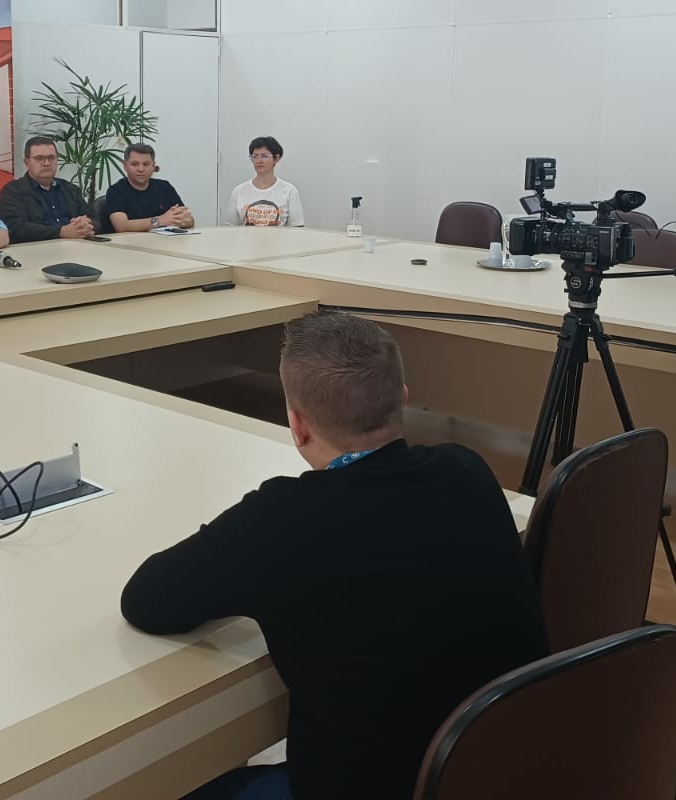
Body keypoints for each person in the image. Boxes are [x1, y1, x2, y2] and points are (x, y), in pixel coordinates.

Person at [121, 313, 547, 800]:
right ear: (402, 400)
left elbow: (146, 600)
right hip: (504, 772)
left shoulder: (278, 520)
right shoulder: (467, 471)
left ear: (297, 425)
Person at [0, 137, 96, 242]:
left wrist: (86, 225)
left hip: (77, 245)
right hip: (36, 248)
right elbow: (16, 228)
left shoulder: (70, 189)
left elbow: (94, 218)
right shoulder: (13, 191)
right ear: (26, 162)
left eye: (51, 158)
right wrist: (61, 231)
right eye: (39, 158)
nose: (47, 163)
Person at [100, 143, 194, 233]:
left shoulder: (165, 187)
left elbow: (189, 219)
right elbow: (121, 226)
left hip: (164, 241)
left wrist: (185, 221)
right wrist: (160, 220)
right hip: (129, 242)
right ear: (125, 166)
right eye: (134, 164)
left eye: (146, 164)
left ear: (153, 166)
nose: (140, 169)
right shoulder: (116, 191)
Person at [223, 136, 304, 227]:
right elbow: (229, 228)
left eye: (264, 156)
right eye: (255, 156)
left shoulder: (289, 191)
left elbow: (297, 228)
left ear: (277, 158)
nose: (259, 161)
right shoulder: (239, 191)